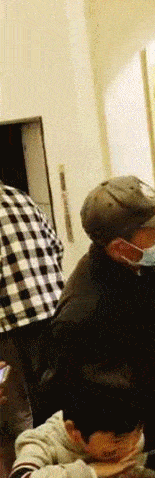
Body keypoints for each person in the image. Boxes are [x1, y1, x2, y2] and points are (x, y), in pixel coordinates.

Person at [45, 177, 155, 442]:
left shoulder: (135, 266)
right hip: (127, 441)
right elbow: (96, 400)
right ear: (120, 246)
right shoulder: (84, 314)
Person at [5, 371, 144, 478]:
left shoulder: (129, 433)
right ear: (73, 431)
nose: (130, 447)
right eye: (117, 441)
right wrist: (93, 471)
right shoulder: (42, 441)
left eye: (137, 434)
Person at [0, 182, 64, 435]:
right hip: (52, 313)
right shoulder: (21, 197)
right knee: (57, 404)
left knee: (18, 414)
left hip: (8, 327)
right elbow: (56, 247)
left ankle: (29, 459)